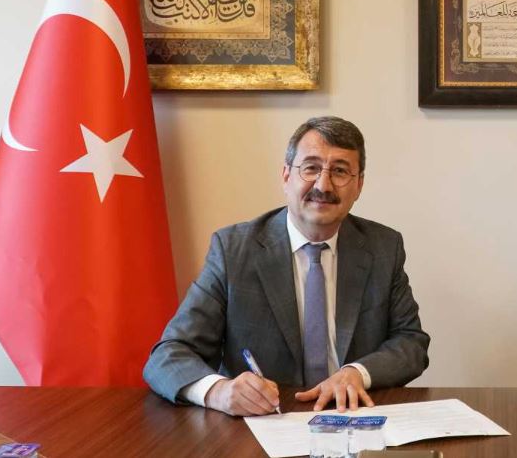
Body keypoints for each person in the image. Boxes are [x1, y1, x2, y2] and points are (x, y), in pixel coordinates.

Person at [144, 117, 430, 416]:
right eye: (310, 168)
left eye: (341, 171)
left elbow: (411, 343)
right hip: (263, 421)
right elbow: (167, 356)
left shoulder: (383, 247)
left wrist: (358, 372)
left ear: (358, 185)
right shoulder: (234, 250)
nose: (323, 184)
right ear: (285, 176)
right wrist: (219, 391)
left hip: (352, 417)